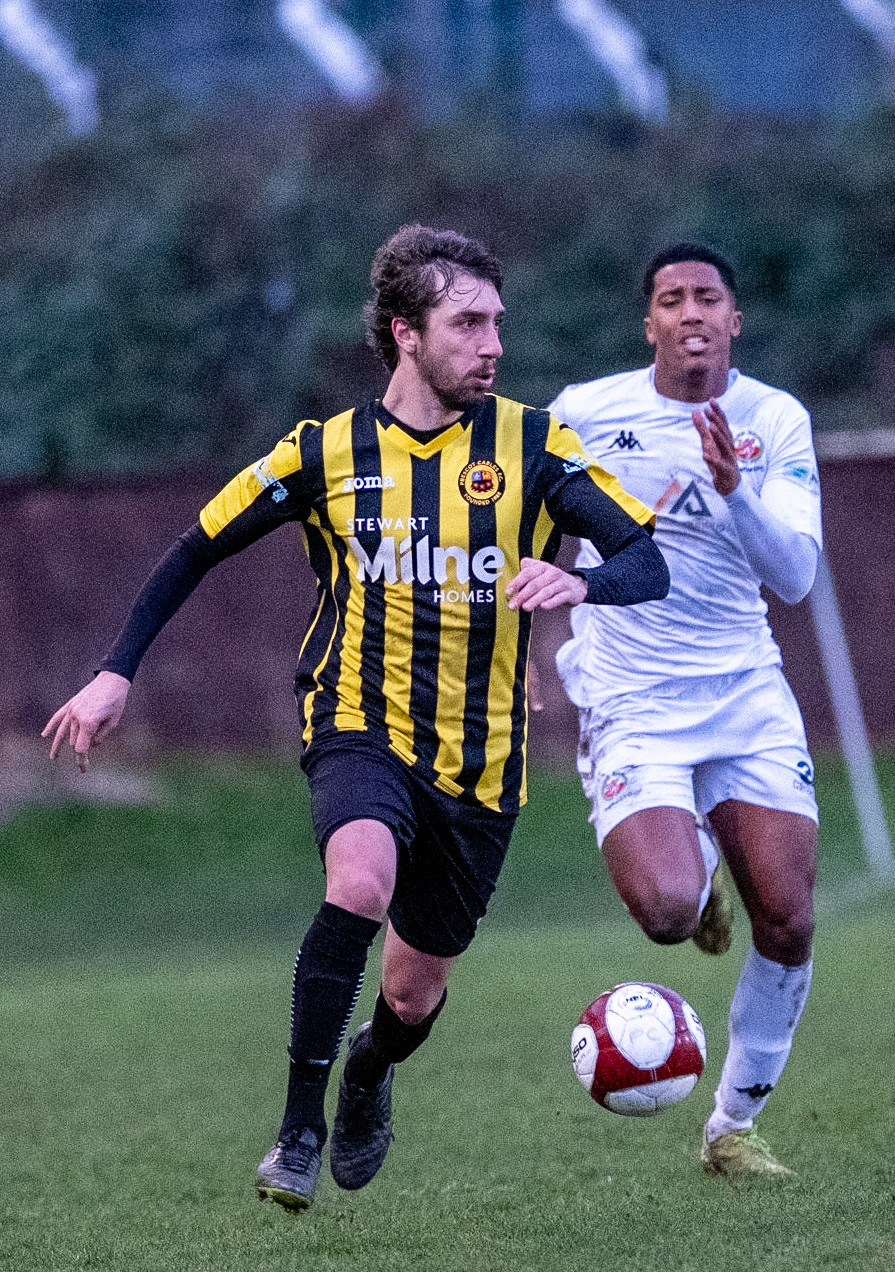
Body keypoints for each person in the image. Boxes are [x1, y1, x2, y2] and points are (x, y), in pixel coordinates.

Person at [43, 224, 669, 1211]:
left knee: (414, 992)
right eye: (467, 322)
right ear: (404, 333)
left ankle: (370, 1069)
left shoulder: (536, 444)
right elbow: (194, 545)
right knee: (359, 877)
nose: (492, 342)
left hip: (481, 757)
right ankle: (296, 1130)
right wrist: (116, 670)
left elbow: (646, 557)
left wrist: (578, 582)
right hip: (356, 720)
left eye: (496, 321)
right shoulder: (323, 452)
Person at [551, 242, 821, 1178]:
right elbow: (524, 530)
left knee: (787, 917)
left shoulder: (774, 418)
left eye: (709, 297)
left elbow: (793, 574)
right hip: (632, 696)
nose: (691, 311)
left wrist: (737, 491)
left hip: (745, 690)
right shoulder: (584, 414)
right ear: (650, 323)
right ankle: (698, 875)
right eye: (671, 298)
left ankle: (733, 1127)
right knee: (668, 911)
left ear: (735, 319)